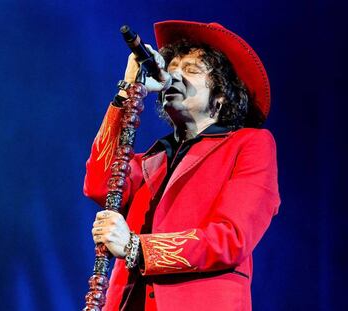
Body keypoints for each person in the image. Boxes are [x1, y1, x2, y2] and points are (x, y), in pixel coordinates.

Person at [84, 20, 280, 311]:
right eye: (172, 66)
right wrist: (129, 89)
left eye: (191, 69)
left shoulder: (250, 144)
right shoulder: (152, 159)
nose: (173, 74)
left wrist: (136, 248)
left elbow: (231, 237)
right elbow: (99, 184)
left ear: (222, 93)